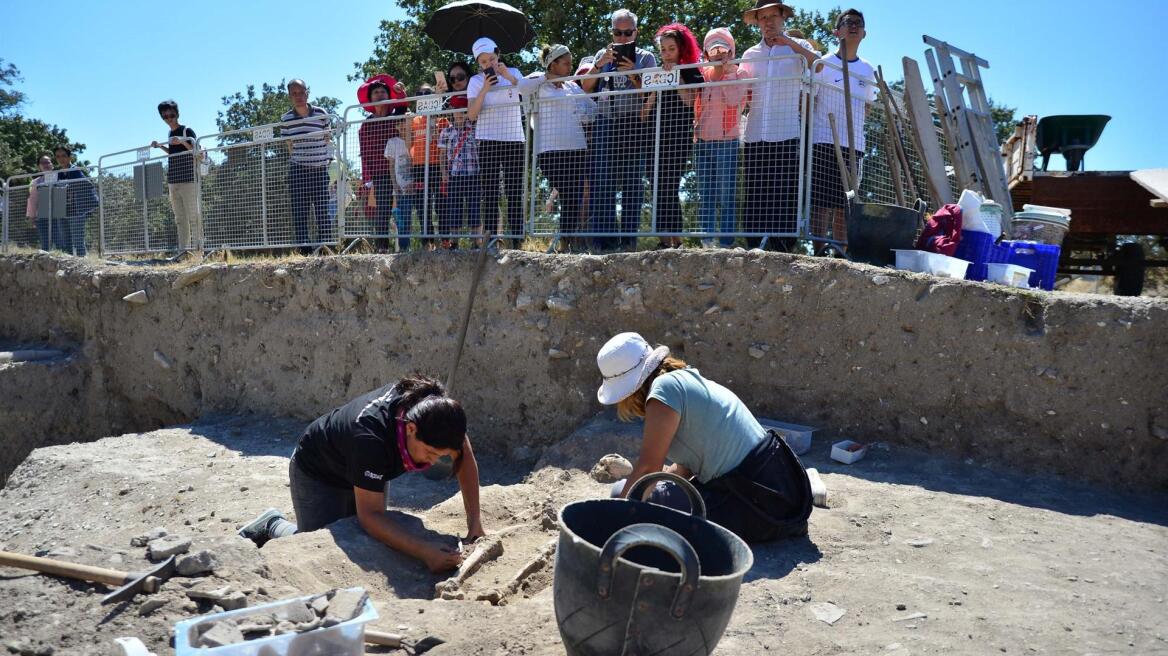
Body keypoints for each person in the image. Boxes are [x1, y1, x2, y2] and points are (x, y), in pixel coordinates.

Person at [238, 375, 484, 573]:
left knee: (371, 542)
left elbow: (465, 459)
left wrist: (475, 525)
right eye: (430, 453)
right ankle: (272, 525)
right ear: (410, 429)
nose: (433, 461)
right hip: (319, 471)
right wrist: (425, 551)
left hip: (364, 465)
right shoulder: (370, 437)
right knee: (321, 550)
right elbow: (371, 516)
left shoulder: (438, 414)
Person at [596, 333, 813, 543]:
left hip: (754, 501)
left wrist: (614, 524)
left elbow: (647, 470)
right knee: (628, 493)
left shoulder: (663, 390)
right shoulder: (684, 381)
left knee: (625, 500)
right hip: (780, 489)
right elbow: (684, 468)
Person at [739, 0, 819, 250]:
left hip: (786, 131)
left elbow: (819, 65)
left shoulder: (799, 48)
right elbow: (741, 89)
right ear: (758, 23)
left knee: (784, 192)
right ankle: (754, 246)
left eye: (774, 16)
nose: (769, 22)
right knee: (755, 192)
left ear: (784, 18)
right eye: (763, 18)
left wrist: (789, 43)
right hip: (754, 132)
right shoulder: (750, 54)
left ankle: (782, 248)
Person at [580, 9, 658, 251]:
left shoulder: (646, 58)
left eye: (627, 33)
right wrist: (598, 65)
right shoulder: (600, 56)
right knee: (602, 181)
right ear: (611, 32)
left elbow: (649, 95)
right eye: (617, 32)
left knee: (632, 183)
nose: (623, 38)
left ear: (636, 32)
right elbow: (585, 87)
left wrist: (633, 74)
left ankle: (628, 243)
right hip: (605, 121)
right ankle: (603, 241)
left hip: (633, 123)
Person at [810, 9, 875, 246]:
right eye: (847, 22)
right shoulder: (823, 63)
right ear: (837, 31)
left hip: (854, 143)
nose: (853, 26)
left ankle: (841, 251)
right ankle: (818, 248)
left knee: (845, 202)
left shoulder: (867, 69)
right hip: (824, 139)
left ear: (864, 33)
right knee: (822, 200)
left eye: (858, 23)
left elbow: (867, 106)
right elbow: (811, 98)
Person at [467, 37, 539, 247]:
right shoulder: (475, 81)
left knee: (514, 190)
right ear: (479, 64)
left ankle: (517, 240)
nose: (489, 64)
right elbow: (471, 115)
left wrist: (507, 75)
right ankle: (491, 241)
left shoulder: (514, 73)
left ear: (498, 55)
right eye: (483, 62)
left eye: (492, 58)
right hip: (487, 139)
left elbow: (527, 92)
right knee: (489, 192)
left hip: (514, 138)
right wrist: (485, 89)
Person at [640, 24, 703, 249]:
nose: (667, 54)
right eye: (663, 50)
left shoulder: (690, 70)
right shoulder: (654, 73)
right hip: (653, 136)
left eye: (671, 49)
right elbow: (644, 113)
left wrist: (675, 78)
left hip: (677, 136)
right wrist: (655, 90)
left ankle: (676, 238)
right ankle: (664, 238)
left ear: (680, 49)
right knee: (656, 184)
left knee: (670, 184)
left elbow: (690, 102)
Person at [529, 44, 596, 251]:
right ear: (553, 64)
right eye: (566, 63)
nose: (570, 67)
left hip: (576, 148)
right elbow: (521, 86)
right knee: (567, 190)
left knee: (573, 195)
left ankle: (566, 241)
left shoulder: (572, 86)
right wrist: (547, 77)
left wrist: (580, 112)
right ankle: (565, 239)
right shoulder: (539, 84)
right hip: (549, 150)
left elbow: (591, 111)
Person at [695, 28, 747, 248]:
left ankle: (726, 242)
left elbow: (735, 101)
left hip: (727, 141)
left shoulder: (741, 74)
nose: (718, 53)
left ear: (731, 50)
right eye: (713, 48)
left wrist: (727, 73)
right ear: (706, 53)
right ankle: (706, 241)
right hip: (702, 142)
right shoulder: (701, 74)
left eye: (723, 47)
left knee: (726, 195)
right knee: (704, 193)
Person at [281, 79, 335, 252]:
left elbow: (328, 138)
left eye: (301, 92)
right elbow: (289, 144)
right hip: (298, 170)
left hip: (319, 169)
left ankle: (325, 247)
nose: (298, 96)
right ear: (290, 96)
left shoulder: (321, 113)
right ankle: (304, 249)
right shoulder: (286, 119)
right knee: (300, 211)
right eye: (294, 93)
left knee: (322, 210)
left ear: (307, 93)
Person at [357, 75, 408, 252]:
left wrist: (401, 92)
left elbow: (403, 104)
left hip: (401, 170)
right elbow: (364, 154)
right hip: (379, 173)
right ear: (370, 98)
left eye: (383, 91)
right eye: (376, 92)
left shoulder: (397, 116)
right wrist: (367, 179)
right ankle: (382, 248)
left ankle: (405, 247)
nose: (380, 94)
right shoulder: (366, 125)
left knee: (404, 208)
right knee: (382, 211)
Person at [150, 100, 201, 253]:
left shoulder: (187, 130)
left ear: (177, 114)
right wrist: (160, 146)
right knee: (180, 219)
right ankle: (183, 251)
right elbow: (173, 153)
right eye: (164, 116)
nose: (168, 118)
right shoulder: (169, 133)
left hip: (189, 179)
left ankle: (199, 251)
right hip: (173, 180)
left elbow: (197, 152)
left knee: (194, 217)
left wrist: (182, 141)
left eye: (171, 114)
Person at [407, 85, 449, 247]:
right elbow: (408, 144)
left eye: (427, 93)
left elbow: (444, 146)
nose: (423, 95)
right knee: (421, 205)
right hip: (418, 167)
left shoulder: (442, 119)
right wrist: (408, 122)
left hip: (437, 167)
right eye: (420, 93)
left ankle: (445, 241)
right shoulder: (414, 119)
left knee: (441, 205)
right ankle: (428, 243)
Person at [437, 94, 480, 247]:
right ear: (452, 112)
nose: (460, 114)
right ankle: (454, 242)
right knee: (454, 207)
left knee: (474, 206)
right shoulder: (446, 132)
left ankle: (476, 241)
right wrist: (443, 173)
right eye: (457, 110)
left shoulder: (475, 129)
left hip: (473, 174)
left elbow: (479, 152)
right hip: (454, 175)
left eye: (463, 110)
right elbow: (442, 155)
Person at [53, 146, 98, 257]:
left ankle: (83, 265)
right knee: (65, 241)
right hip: (62, 210)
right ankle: (67, 265)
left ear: (69, 157)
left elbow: (87, 185)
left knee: (78, 241)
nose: (61, 159)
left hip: (76, 210)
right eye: (58, 156)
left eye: (64, 156)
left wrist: (68, 187)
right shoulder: (58, 173)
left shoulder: (74, 170)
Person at [25, 155, 58, 251]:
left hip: (58, 216)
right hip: (41, 216)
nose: (46, 165)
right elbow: (32, 200)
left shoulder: (59, 177)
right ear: (39, 166)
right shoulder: (34, 182)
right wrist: (32, 216)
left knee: (60, 242)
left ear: (52, 164)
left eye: (48, 162)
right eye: (43, 163)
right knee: (45, 243)